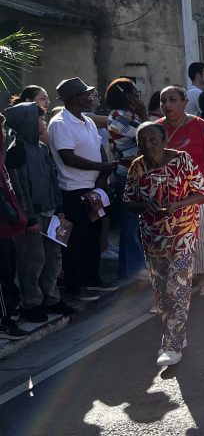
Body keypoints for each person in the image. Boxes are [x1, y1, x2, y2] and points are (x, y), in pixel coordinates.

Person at [123, 122, 204, 366]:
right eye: (142, 140)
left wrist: (178, 204)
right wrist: (144, 205)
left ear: (164, 141)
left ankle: (172, 343)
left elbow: (203, 191)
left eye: (153, 139)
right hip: (152, 236)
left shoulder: (181, 160)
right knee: (161, 289)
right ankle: (175, 333)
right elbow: (127, 202)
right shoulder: (137, 166)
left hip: (182, 232)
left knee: (177, 285)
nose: (148, 144)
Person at [48, 77, 119, 302]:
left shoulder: (87, 120)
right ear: (74, 98)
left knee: (92, 236)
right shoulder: (60, 123)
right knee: (75, 241)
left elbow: (98, 148)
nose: (90, 97)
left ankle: (92, 278)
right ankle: (74, 286)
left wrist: (103, 174)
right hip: (73, 191)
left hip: (94, 188)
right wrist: (100, 167)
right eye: (86, 94)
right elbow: (68, 157)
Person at [6, 100, 73, 324]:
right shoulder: (16, 152)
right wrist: (28, 217)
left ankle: (51, 298)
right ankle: (31, 303)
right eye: (40, 119)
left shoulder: (42, 148)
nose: (44, 122)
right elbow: (18, 188)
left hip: (50, 211)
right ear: (28, 123)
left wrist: (59, 207)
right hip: (32, 217)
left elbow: (52, 179)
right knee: (32, 260)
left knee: (52, 258)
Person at [157, 85, 204, 296]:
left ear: (184, 102)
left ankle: (203, 277)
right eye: (163, 101)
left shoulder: (201, 126)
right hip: (168, 197)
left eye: (172, 100)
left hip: (201, 195)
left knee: (199, 236)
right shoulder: (155, 129)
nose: (167, 105)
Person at [105, 78, 147, 279]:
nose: (138, 96)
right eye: (135, 92)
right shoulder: (118, 117)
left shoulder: (128, 115)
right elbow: (146, 134)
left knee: (138, 221)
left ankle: (138, 263)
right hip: (127, 173)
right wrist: (144, 114)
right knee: (130, 222)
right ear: (125, 95)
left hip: (138, 172)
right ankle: (131, 268)